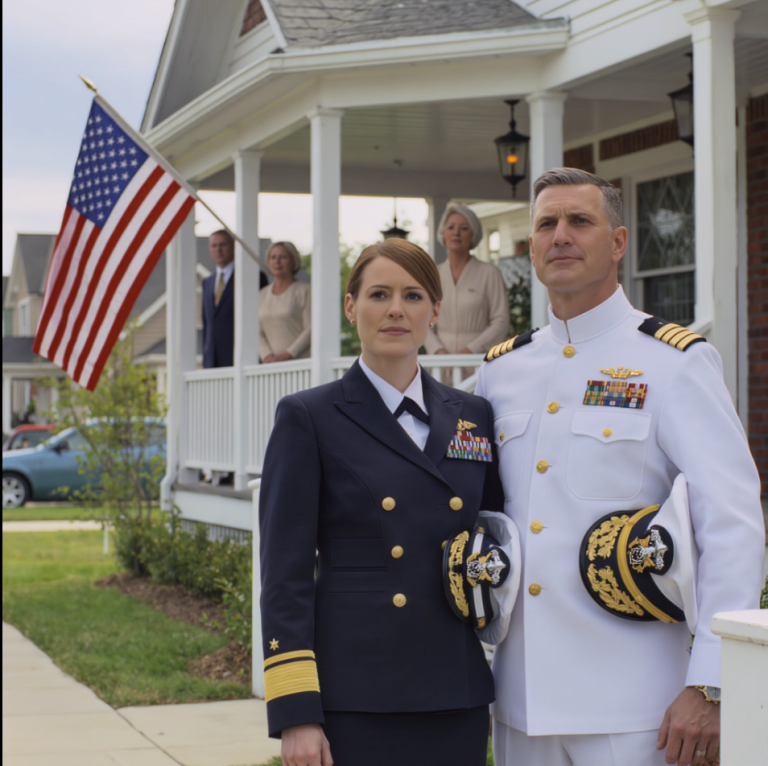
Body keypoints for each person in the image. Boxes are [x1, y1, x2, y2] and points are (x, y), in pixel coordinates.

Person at [476, 167, 765, 766]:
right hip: (519, 703)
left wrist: (712, 680)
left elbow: (731, 523)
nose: (561, 236)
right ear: (529, 246)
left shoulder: (673, 362)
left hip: (637, 709)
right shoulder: (501, 372)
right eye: (546, 224)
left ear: (618, 243)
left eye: (580, 221)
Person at [259, 239, 505, 766]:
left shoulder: (473, 414)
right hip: (355, 696)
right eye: (379, 294)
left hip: (454, 693)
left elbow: (497, 541)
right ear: (352, 307)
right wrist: (297, 710)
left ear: (434, 311)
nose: (396, 309)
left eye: (413, 295)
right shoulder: (309, 417)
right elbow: (286, 573)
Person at [424, 204, 509, 358]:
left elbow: (500, 321)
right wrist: (438, 351)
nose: (456, 233)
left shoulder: (489, 273)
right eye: (451, 227)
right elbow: (422, 318)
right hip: (441, 364)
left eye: (463, 228)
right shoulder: (433, 274)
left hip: (477, 359)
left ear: (473, 235)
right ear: (444, 234)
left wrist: (470, 351)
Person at [259, 242, 311, 363]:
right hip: (271, 366)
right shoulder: (262, 294)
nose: (277, 262)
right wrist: (267, 356)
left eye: (283, 257)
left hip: (299, 364)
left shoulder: (305, 291)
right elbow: (257, 332)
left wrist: (288, 354)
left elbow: (311, 329)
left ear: (293, 261)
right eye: (273, 257)